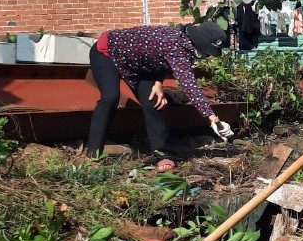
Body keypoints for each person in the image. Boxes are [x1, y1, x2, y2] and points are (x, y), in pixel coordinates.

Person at [86, 22, 234, 164]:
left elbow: (157, 59)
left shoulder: (185, 43)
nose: (207, 57)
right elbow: (190, 87)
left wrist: (158, 83)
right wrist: (213, 119)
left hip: (138, 65)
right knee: (110, 97)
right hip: (107, 52)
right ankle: (93, 154)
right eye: (207, 53)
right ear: (199, 44)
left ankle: (161, 153)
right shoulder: (176, 47)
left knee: (154, 101)